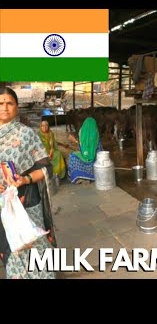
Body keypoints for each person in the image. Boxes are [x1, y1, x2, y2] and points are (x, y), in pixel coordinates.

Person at [0, 87, 57, 279]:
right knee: (11, 248)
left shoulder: (27, 134)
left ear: (17, 107)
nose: (5, 108)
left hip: (27, 201)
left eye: (9, 103)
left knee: (35, 245)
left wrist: (25, 179)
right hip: (2, 206)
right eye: (0, 103)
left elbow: (46, 168)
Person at [67, 117, 103, 184]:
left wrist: (74, 140)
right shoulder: (97, 135)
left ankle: (78, 176)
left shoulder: (82, 135)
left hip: (85, 161)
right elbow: (101, 150)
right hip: (95, 164)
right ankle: (89, 177)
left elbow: (82, 150)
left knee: (72, 156)